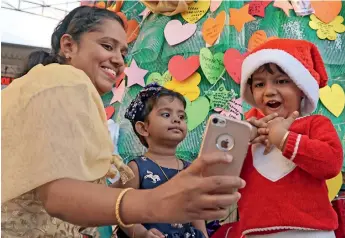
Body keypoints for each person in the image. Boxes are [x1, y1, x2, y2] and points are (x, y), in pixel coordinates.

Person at [1, 6, 245, 237]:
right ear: (69, 45)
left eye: (123, 53)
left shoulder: (45, 84)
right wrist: (156, 202)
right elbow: (58, 197)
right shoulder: (66, 81)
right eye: (107, 46)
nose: (118, 60)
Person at [238, 39, 343, 237]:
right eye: (260, 84)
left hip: (311, 232)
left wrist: (284, 138)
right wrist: (239, 141)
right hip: (254, 232)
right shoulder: (246, 128)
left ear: (301, 88)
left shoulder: (314, 124)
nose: (269, 90)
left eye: (281, 81)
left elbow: (331, 164)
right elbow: (219, 176)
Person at [116, 84, 208, 238]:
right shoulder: (135, 168)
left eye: (181, 116)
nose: (176, 120)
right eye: (166, 115)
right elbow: (121, 211)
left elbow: (196, 212)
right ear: (143, 128)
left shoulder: (191, 169)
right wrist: (142, 234)